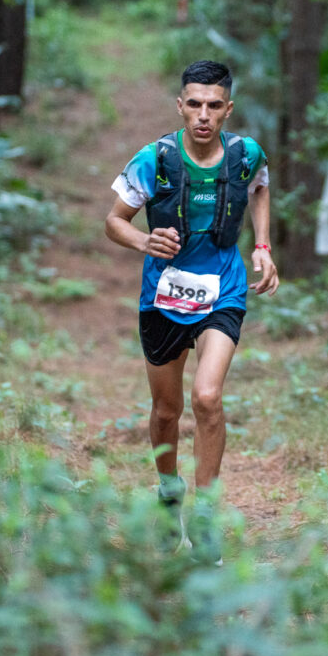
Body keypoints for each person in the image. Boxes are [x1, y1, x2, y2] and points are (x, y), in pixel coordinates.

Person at [104, 59, 278, 564]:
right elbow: (113, 221)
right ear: (181, 106)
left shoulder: (245, 156)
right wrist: (143, 239)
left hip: (222, 287)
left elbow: (260, 185)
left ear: (228, 110)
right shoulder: (155, 159)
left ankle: (207, 514)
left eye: (214, 105)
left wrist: (262, 245)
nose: (204, 115)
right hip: (164, 293)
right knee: (166, 409)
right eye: (194, 104)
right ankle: (167, 492)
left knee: (207, 397)